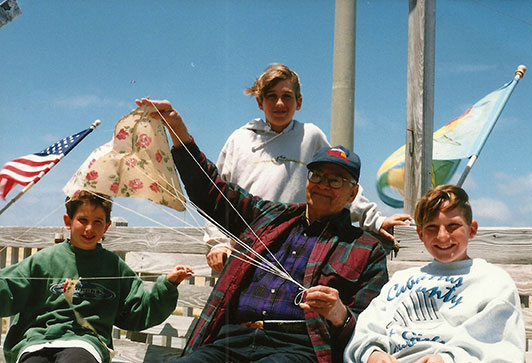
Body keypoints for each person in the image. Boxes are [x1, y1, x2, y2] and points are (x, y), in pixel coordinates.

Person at [136, 97, 389, 362]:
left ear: (353, 193)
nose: (324, 185)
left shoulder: (366, 250)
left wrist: (339, 313)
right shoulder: (269, 216)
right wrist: (177, 128)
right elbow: (211, 190)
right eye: (317, 176)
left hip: (297, 349)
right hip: (231, 340)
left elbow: (368, 328)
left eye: (336, 180)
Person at [202, 63, 410, 273]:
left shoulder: (310, 136)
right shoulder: (239, 140)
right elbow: (216, 195)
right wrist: (218, 242)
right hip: (247, 252)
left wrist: (375, 220)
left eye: (287, 96)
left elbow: (339, 185)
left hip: (296, 250)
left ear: (299, 102)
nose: (279, 103)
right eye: (271, 96)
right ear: (259, 102)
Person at [0, 191, 194, 363]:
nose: (89, 229)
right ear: (68, 221)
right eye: (82, 220)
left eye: (97, 222)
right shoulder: (44, 259)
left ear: (107, 226)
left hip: (85, 342)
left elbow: (138, 312)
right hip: (37, 341)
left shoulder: (113, 266)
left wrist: (168, 285)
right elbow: (8, 290)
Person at [344, 185, 526, 363]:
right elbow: (368, 326)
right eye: (431, 228)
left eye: (453, 226)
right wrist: (372, 353)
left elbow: (502, 347)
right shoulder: (401, 280)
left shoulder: (493, 281)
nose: (442, 236)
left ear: (472, 230)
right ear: (420, 234)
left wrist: (446, 359)